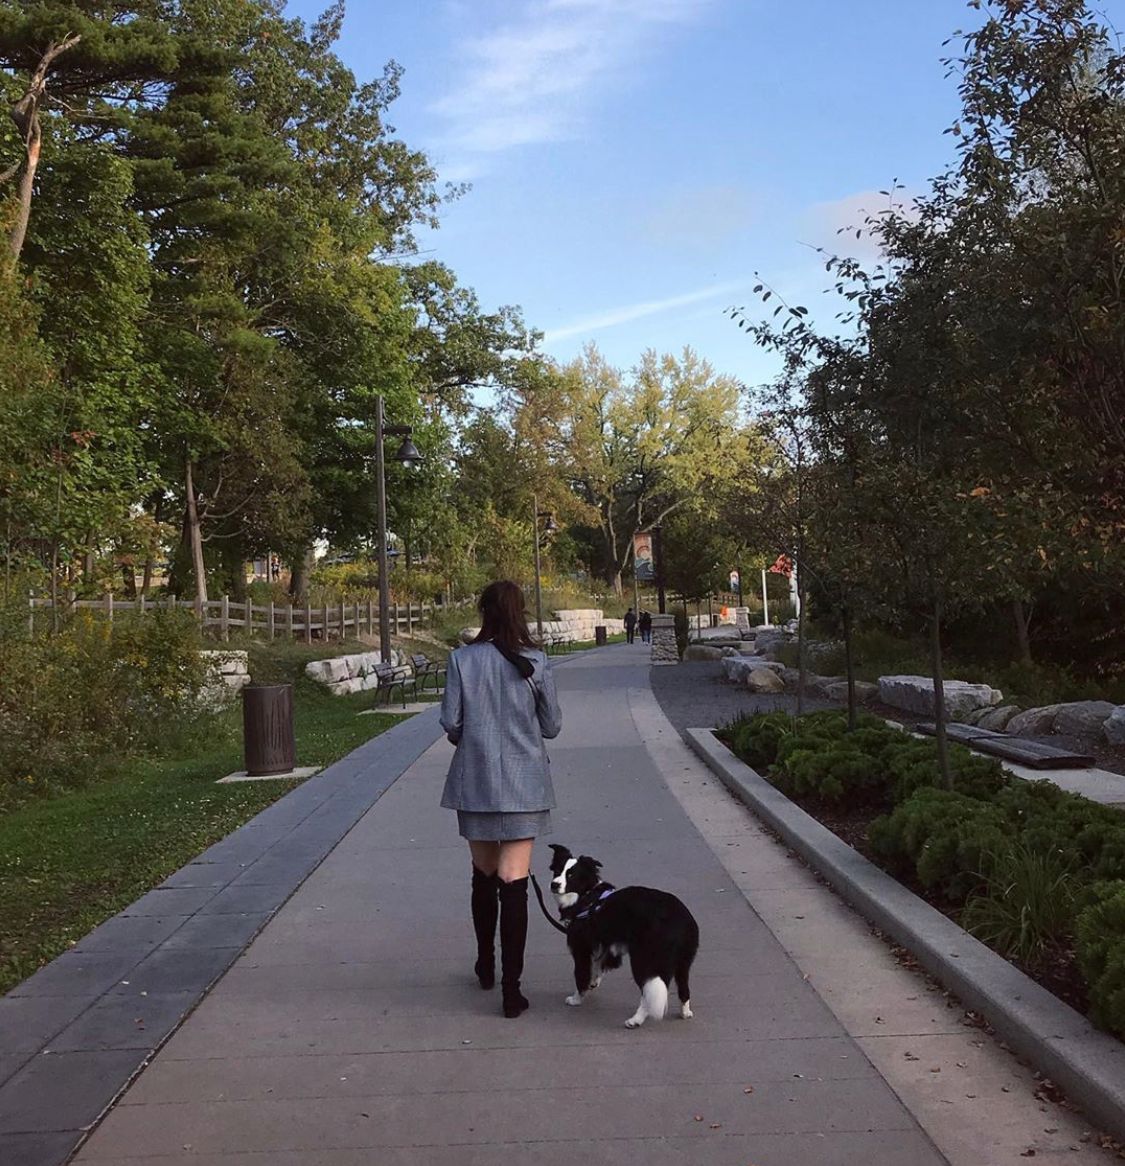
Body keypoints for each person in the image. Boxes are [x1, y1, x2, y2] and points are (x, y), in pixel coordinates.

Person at [440, 580, 563, 1018]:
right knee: (514, 881)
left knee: (484, 873)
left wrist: (472, 735)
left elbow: (450, 721)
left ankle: (485, 963)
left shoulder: (461, 660)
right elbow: (551, 726)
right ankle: (512, 991)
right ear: (520, 612)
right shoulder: (537, 662)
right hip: (524, 785)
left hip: (475, 783)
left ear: (484, 612)